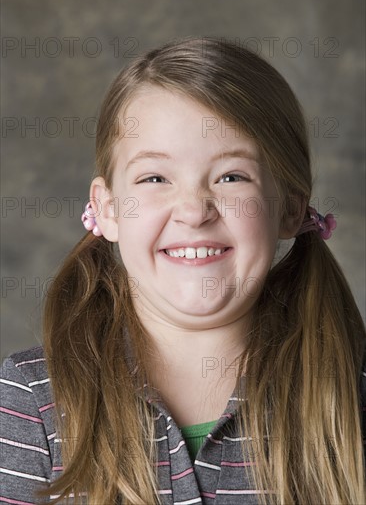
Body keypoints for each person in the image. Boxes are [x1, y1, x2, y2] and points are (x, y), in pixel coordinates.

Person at [1, 37, 365, 505]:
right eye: (155, 178)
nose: (194, 211)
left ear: (290, 208)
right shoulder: (30, 399)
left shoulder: (350, 391)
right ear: (107, 208)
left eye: (232, 176)